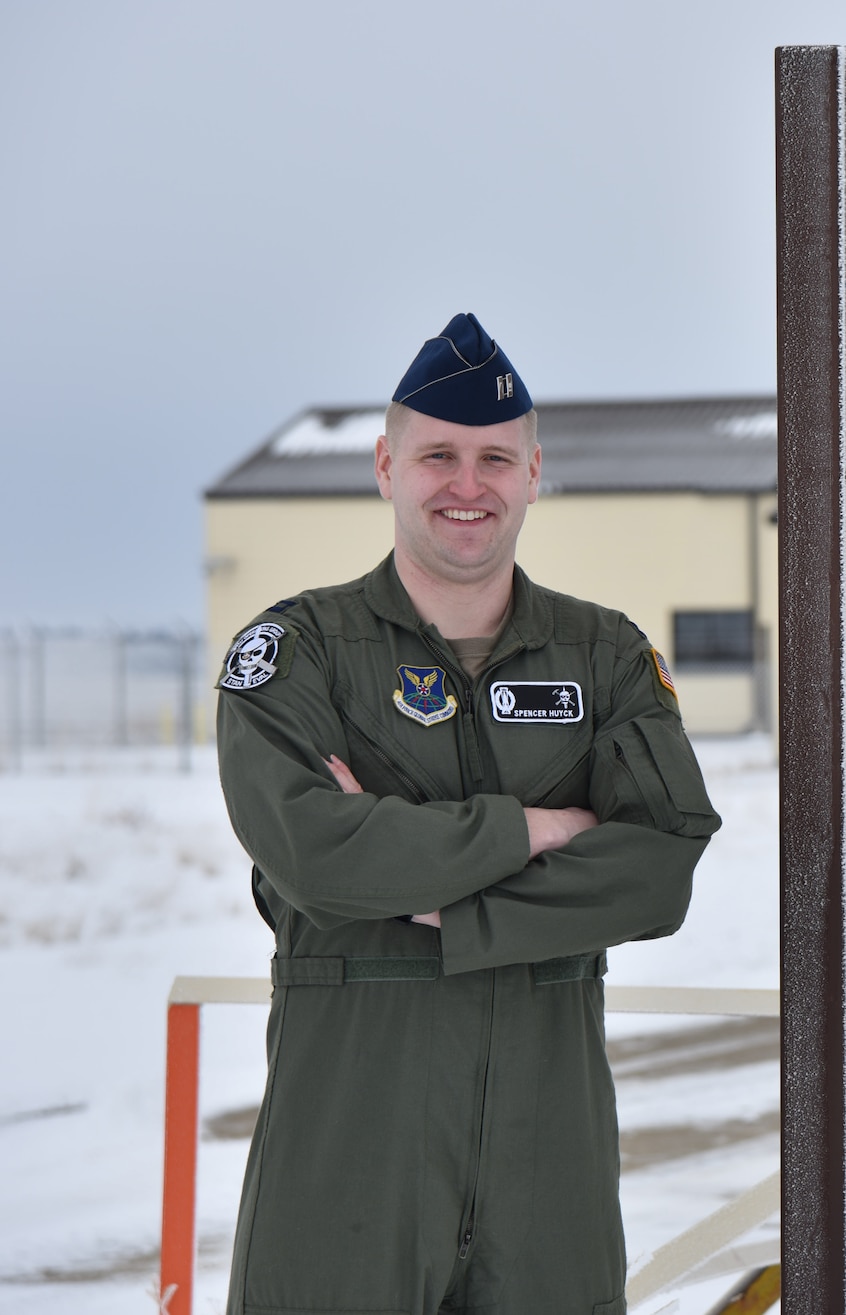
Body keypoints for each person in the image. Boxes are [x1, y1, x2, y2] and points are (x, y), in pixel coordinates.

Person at [214, 313, 719, 1315]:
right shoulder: (297, 653)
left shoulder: (602, 656)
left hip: (550, 1152)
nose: (465, 484)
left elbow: (661, 864)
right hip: (350, 1139)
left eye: (494, 457)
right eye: (436, 454)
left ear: (534, 472)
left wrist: (449, 896)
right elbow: (320, 853)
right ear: (385, 465)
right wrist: (539, 828)